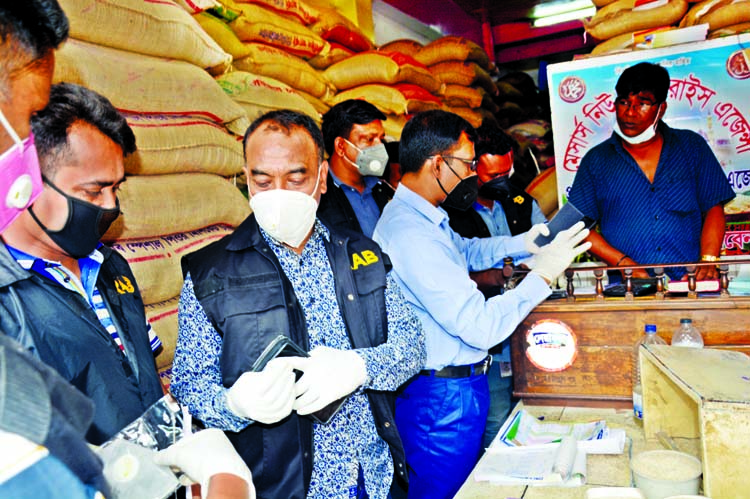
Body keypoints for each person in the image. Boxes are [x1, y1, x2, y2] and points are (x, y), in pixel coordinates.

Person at [171, 109, 425, 499]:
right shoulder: (211, 274)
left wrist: (360, 367)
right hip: (282, 488)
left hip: (371, 478)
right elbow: (189, 384)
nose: (279, 193)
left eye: (295, 177)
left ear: (322, 177)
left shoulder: (362, 255)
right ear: (246, 180)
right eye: (262, 180)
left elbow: (412, 346)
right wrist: (234, 403)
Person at [372, 110, 590, 499]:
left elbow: (468, 251)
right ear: (437, 163)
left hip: (456, 389)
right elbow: (480, 326)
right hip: (440, 401)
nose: (473, 174)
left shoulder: (425, 217)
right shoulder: (410, 232)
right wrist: (542, 276)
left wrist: (526, 242)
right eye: (468, 164)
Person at [0, 82, 164, 445]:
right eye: (93, 191)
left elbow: (143, 379)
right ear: (24, 182)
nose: (109, 206)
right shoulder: (6, 293)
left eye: (116, 189)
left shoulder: (111, 267)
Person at [568, 62, 735, 281]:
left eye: (643, 104)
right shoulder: (596, 161)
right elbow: (577, 227)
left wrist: (708, 260)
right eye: (624, 102)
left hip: (690, 284)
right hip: (627, 290)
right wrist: (624, 264)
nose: (630, 112)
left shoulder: (691, 147)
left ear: (661, 108)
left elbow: (713, 207)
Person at [443, 121, 548, 450]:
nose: (501, 182)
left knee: (539, 406)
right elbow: (452, 275)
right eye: (491, 176)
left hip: (532, 323)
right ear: (472, 170)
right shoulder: (450, 214)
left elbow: (544, 241)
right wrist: (498, 276)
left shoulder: (521, 202)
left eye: (506, 172)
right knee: (498, 416)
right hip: (488, 333)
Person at [318, 99, 394, 236]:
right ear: (341, 146)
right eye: (369, 139)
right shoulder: (317, 195)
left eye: (381, 139)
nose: (379, 147)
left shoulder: (383, 187)